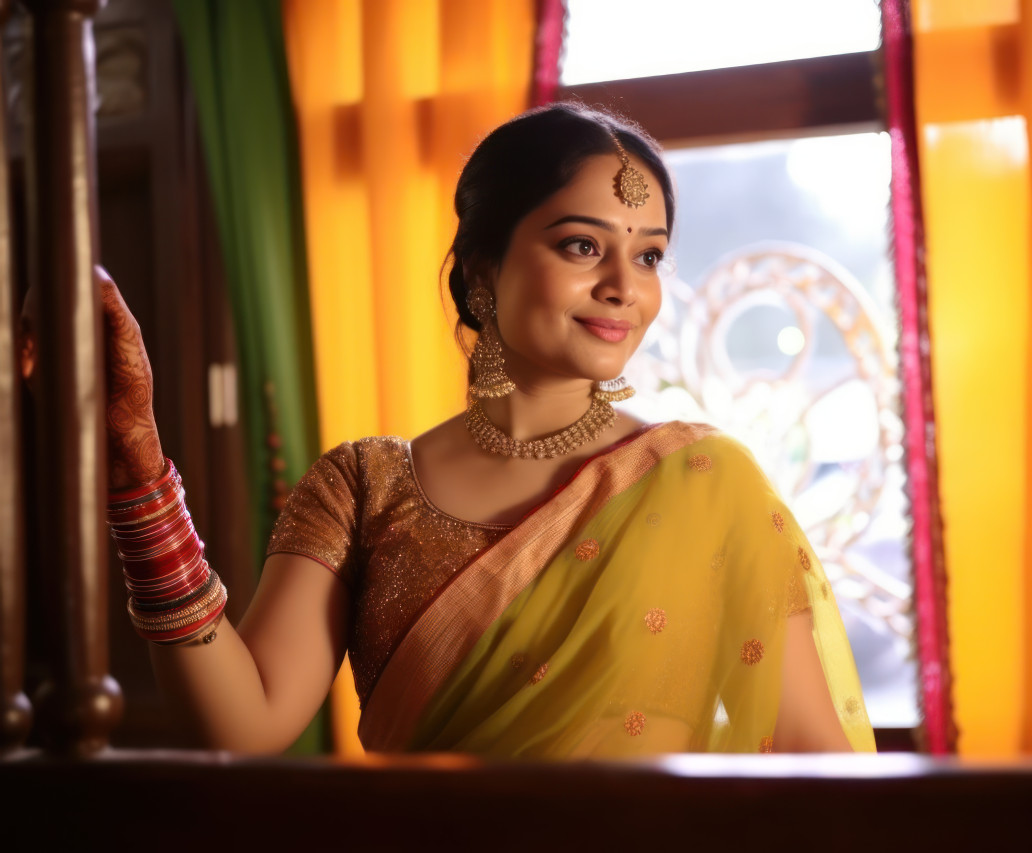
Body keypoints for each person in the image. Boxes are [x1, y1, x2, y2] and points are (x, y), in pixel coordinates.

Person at [88, 103, 876, 756]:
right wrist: (136, 465)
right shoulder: (363, 487)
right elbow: (243, 724)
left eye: (649, 256)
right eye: (582, 245)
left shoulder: (706, 481)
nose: (622, 286)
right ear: (482, 267)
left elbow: (814, 757)